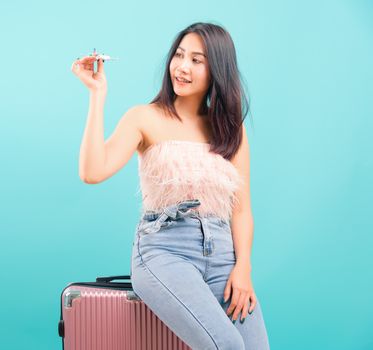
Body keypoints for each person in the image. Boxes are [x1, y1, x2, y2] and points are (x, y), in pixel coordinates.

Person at [71, 22, 270, 350]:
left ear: (217, 70)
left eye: (197, 60)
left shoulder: (231, 129)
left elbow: (242, 209)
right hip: (165, 251)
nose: (182, 66)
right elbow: (92, 171)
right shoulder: (144, 118)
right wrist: (97, 96)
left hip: (223, 255)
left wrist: (243, 268)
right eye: (179, 55)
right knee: (227, 346)